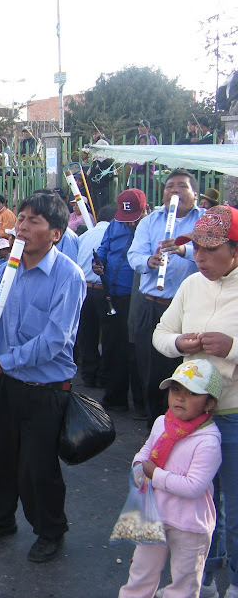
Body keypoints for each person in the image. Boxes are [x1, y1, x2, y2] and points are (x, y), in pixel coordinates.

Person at [0, 189, 86, 564]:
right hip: (5, 385)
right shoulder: (2, 272)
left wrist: (2, 363)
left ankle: (50, 530)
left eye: (33, 221)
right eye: (20, 218)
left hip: (45, 389)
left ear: (55, 233)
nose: (21, 226)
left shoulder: (68, 277)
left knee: (37, 468)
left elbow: (55, 340)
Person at [153, 205, 238, 598]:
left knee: (234, 509)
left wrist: (232, 347)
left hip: (233, 416)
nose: (200, 257)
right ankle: (200, 578)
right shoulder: (190, 285)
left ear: (235, 251)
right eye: (197, 248)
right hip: (192, 418)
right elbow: (161, 333)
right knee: (196, 505)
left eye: (211, 249)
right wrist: (179, 343)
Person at [118, 360, 222, 598]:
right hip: (154, 514)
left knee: (184, 584)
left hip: (190, 524)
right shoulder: (161, 422)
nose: (180, 398)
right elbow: (146, 450)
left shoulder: (208, 440)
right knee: (141, 573)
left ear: (209, 403)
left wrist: (155, 475)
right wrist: (138, 466)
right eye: (176, 389)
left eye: (192, 393)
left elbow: (194, 487)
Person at [128, 169, 203, 428]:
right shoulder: (150, 221)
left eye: (182, 186)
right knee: (152, 374)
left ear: (195, 193)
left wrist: (184, 250)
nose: (174, 191)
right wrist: (149, 261)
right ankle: (157, 429)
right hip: (153, 306)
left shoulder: (204, 220)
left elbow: (215, 252)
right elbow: (134, 256)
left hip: (191, 309)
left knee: (188, 373)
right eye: (169, 186)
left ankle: (187, 431)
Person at [94, 192, 147, 415]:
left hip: (135, 297)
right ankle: (115, 398)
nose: (129, 223)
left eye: (133, 218)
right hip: (111, 294)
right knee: (113, 348)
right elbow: (103, 248)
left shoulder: (147, 227)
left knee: (134, 351)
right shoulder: (114, 225)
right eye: (126, 218)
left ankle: (141, 404)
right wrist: (98, 263)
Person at [75, 204, 115, 390]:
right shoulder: (112, 234)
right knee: (108, 335)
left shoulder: (84, 236)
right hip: (102, 289)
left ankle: (89, 375)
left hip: (84, 289)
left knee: (87, 335)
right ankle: (104, 376)